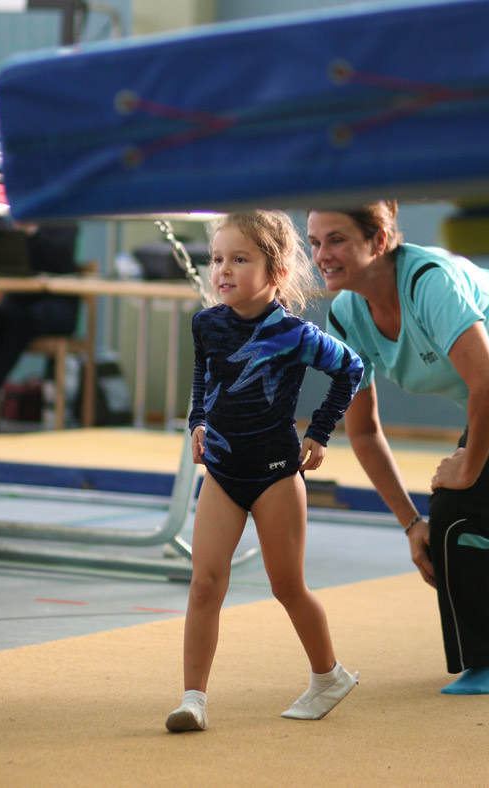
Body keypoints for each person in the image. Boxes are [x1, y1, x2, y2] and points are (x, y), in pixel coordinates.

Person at [307, 201, 489, 696]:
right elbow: (363, 431)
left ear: (379, 241)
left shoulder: (429, 281)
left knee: (461, 504)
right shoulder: (346, 316)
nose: (322, 255)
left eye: (336, 240)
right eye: (315, 242)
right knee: (442, 529)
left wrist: (467, 473)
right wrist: (410, 523)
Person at [165, 210, 364, 733]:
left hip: (276, 474)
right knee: (204, 584)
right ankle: (193, 699)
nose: (223, 270)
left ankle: (329, 675)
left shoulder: (294, 334)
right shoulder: (206, 323)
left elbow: (351, 368)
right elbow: (203, 375)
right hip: (223, 473)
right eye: (216, 259)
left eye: (239, 259)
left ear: (276, 272)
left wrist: (320, 430)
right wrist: (198, 420)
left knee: (287, 587)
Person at [0, 222, 80, 433]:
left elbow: (59, 258)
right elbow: (0, 252)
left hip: (57, 302)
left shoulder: (63, 219)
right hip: (22, 298)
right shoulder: (10, 218)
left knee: (23, 323)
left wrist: (31, 232)